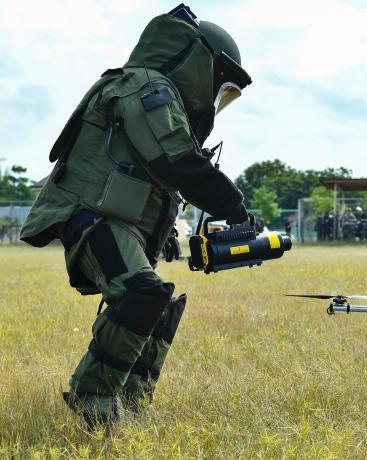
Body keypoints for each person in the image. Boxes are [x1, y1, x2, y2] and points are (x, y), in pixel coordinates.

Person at [19, 4, 251, 429]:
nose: (219, 103)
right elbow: (176, 163)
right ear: (200, 64)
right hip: (92, 219)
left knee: (158, 306)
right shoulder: (145, 87)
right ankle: (94, 402)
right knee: (143, 294)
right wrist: (235, 207)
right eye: (223, 89)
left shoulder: (160, 95)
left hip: (114, 221)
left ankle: (134, 406)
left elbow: (157, 175)